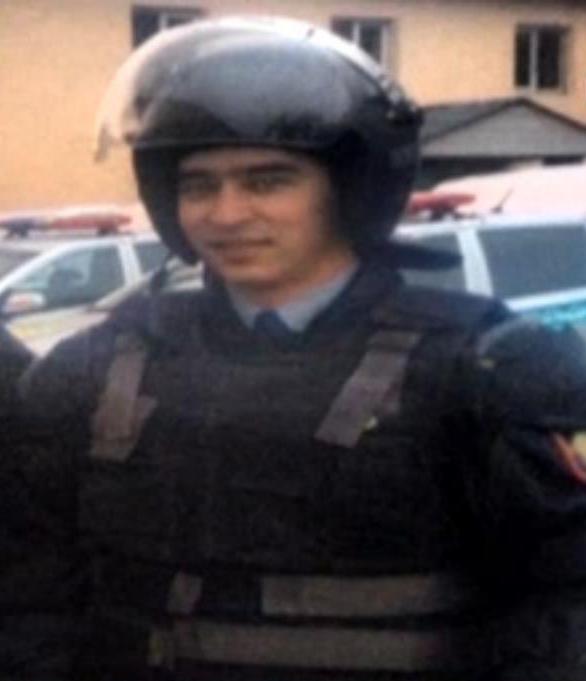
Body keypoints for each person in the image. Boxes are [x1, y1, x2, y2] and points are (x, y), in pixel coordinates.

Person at [3, 15, 586, 681]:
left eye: (267, 180)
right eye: (199, 185)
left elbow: (566, 603)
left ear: (347, 188)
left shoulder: (491, 371)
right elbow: (29, 591)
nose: (226, 213)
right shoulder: (96, 368)